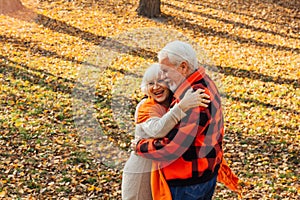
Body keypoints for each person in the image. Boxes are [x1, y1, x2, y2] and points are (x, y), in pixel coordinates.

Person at [135, 41, 228, 199]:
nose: (162, 76)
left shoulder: (195, 98)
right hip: (203, 175)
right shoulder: (202, 81)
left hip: (188, 183)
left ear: (183, 67)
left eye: (165, 71)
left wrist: (141, 146)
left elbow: (173, 147)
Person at [122, 63, 211, 200]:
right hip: (141, 172)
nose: (156, 87)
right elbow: (157, 130)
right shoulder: (146, 106)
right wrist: (183, 106)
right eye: (151, 83)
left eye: (161, 81)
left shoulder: (169, 103)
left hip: (158, 171)